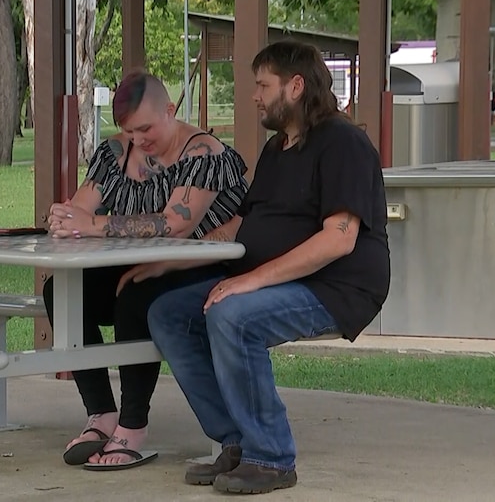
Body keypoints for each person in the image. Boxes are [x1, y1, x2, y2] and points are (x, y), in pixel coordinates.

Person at [130, 40, 390, 493]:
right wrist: (170, 261)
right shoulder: (276, 150)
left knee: (233, 315)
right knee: (167, 313)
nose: (254, 95)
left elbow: (339, 238)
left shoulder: (344, 142)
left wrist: (249, 281)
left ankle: (271, 457)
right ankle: (237, 442)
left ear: (294, 86)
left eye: (261, 85)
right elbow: (240, 226)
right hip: (276, 281)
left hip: (335, 286)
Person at [43, 69, 249, 470]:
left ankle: (133, 426)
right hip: (137, 262)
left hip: (200, 264)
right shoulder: (114, 154)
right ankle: (101, 414)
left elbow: (176, 224)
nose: (139, 140)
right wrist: (64, 219)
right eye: (130, 131)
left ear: (170, 110)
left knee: (133, 298)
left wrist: (92, 226)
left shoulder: (205, 155)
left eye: (145, 128)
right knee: (62, 292)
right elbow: (82, 207)